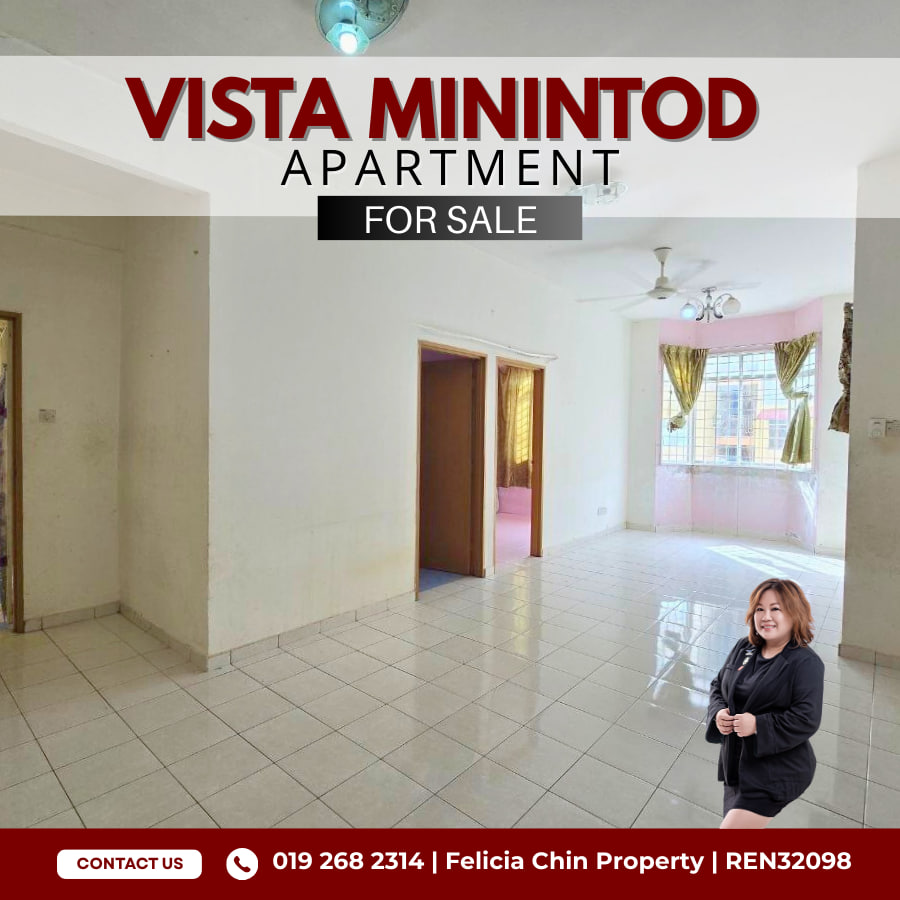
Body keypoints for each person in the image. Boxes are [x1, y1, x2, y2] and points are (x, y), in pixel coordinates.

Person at [706, 577, 825, 829]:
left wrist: (757, 725)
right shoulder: (744, 647)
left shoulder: (806, 663)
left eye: (776, 609)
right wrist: (718, 713)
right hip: (736, 763)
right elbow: (718, 684)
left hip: (776, 771)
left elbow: (806, 718)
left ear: (794, 613)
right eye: (760, 609)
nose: (766, 617)